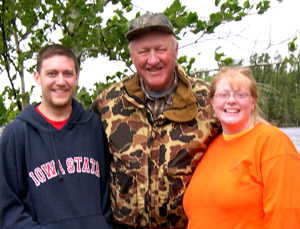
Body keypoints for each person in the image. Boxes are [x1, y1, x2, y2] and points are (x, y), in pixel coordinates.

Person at [92, 13, 221, 228]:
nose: (153, 60)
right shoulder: (109, 102)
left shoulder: (209, 101)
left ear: (176, 51)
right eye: (143, 52)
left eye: (161, 50)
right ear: (132, 56)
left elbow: (245, 146)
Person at [0, 44, 113, 228]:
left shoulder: (95, 127)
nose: (60, 81)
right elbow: (7, 207)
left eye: (67, 74)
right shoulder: (17, 134)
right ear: (37, 77)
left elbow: (110, 192)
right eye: (52, 73)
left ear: (77, 78)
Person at [183, 66, 300, 228]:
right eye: (223, 94)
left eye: (240, 95)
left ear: (253, 102)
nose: (231, 100)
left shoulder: (273, 143)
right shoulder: (209, 146)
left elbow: (286, 218)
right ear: (212, 102)